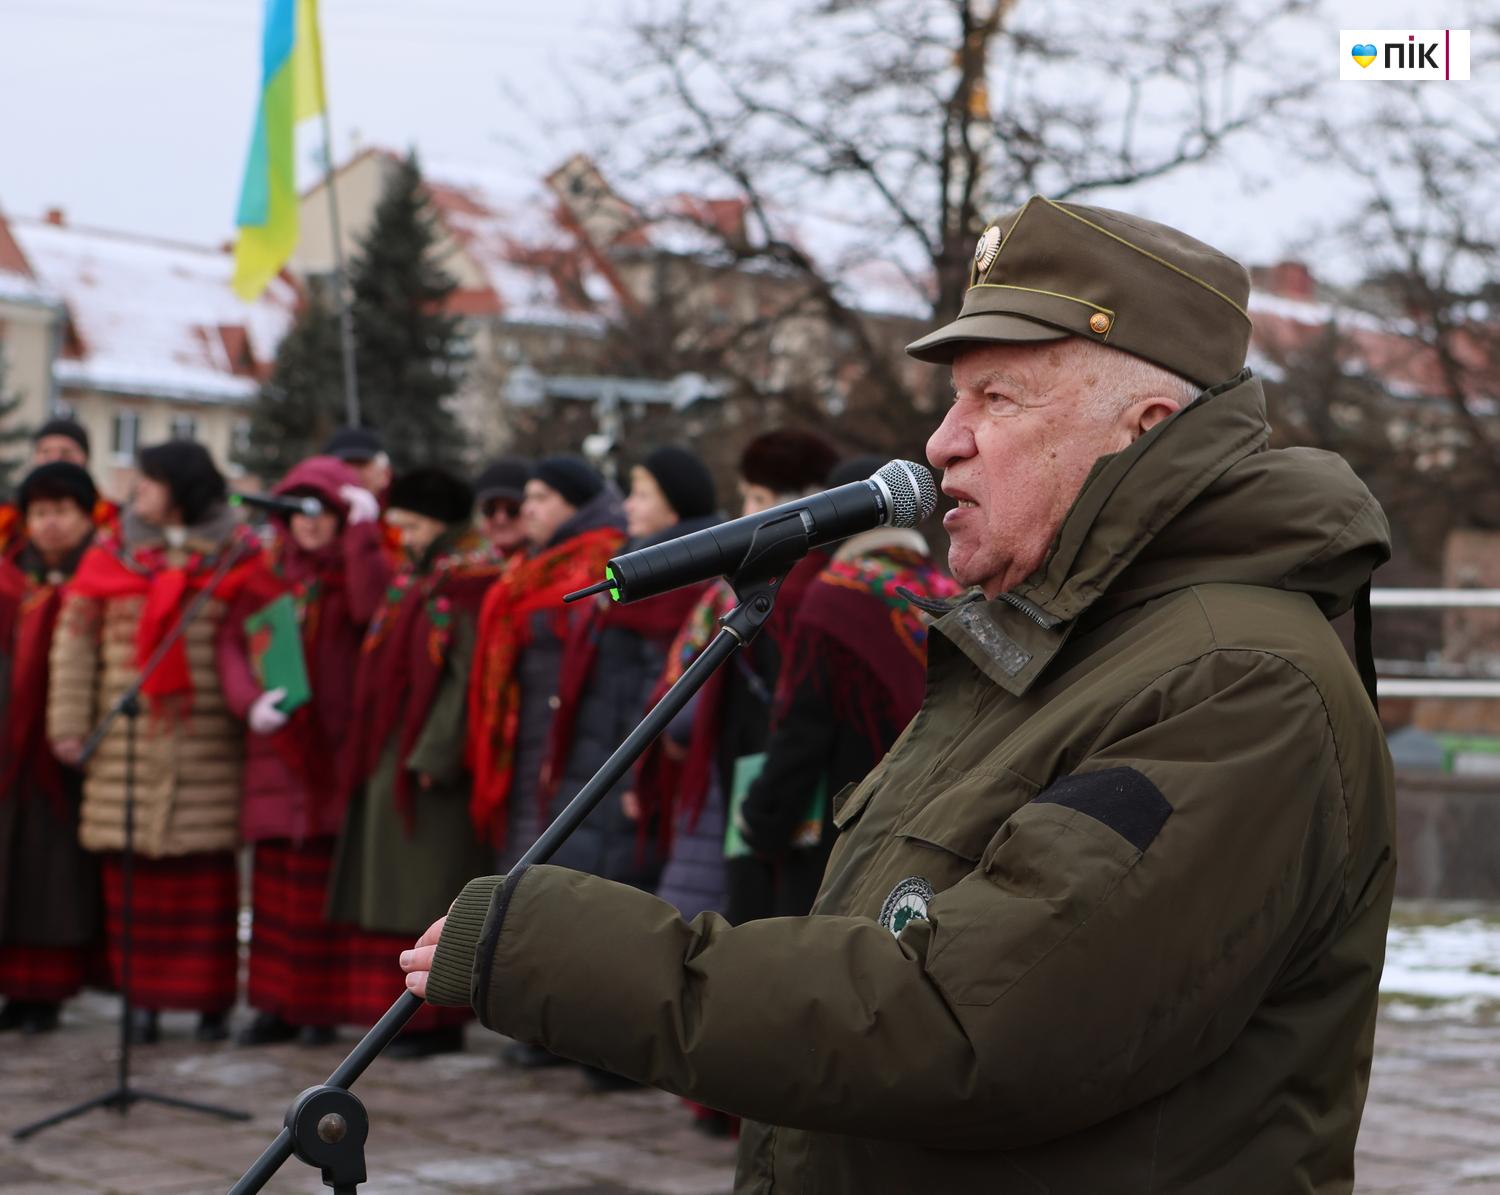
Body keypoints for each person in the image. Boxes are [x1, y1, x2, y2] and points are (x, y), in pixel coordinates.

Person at [407, 197, 1396, 1192]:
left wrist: (565, 958)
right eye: (954, 400)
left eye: (997, 400)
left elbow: (964, 1024)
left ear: (1140, 429)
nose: (941, 443)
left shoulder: (1237, 684)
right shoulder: (1062, 641)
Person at [50, 442, 265, 1044]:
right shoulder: (110, 554)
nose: (135, 489)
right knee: (134, 880)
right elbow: (74, 648)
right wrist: (68, 726)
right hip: (127, 741)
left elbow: (260, 640)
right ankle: (139, 1002)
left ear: (182, 486)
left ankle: (208, 1005)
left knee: (204, 883)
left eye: (149, 480)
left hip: (208, 745)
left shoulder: (236, 554)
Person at [729, 455, 959, 923]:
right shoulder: (949, 594)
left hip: (843, 834)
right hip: (937, 828)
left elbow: (801, 729)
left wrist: (760, 821)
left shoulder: (833, 598)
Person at [325, 465, 501, 1058]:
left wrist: (436, 753)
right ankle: (400, 1016)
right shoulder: (416, 580)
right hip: (394, 750)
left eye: (413, 524)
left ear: (440, 523)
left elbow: (466, 679)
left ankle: (434, 1021)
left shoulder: (466, 581)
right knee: (394, 893)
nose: (405, 536)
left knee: (426, 891)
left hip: (427, 767)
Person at [217, 456, 388, 1047]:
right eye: (300, 512)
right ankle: (272, 1006)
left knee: (320, 888)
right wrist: (249, 704)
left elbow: (373, 611)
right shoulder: (263, 575)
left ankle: (317, 1008)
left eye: (325, 512)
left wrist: (365, 536)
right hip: (276, 752)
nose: (311, 525)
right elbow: (232, 646)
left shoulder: (356, 569)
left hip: (333, 751)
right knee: (272, 891)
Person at [465, 453, 625, 1070]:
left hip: (571, 750)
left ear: (573, 503)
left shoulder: (595, 563)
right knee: (522, 880)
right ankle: (533, 1022)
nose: (526, 509)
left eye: (538, 497)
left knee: (549, 887)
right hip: (528, 748)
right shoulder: (527, 569)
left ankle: (554, 1027)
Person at [644, 430, 838, 927]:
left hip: (766, 791)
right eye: (746, 497)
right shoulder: (742, 589)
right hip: (739, 787)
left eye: (759, 499)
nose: (746, 513)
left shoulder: (802, 594)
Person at [0, 464, 103, 1034]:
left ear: (87, 516)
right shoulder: (12, 576)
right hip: (12, 755)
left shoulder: (98, 574)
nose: (51, 524)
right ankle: (14, 990)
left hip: (64, 756)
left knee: (55, 878)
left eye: (62, 511)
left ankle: (45, 993)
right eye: (40, 512)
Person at [0, 418, 119, 561]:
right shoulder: (9, 519)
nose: (55, 459)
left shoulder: (112, 518)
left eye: (66, 452)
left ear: (86, 457)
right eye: (45, 452)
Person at [472, 456, 531, 561]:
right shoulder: (462, 568)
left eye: (513, 509)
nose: (500, 519)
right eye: (490, 509)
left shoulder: (554, 566)